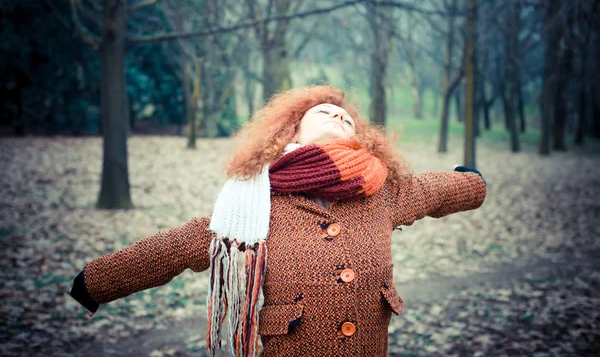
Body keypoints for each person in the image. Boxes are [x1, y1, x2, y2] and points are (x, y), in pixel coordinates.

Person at [70, 85, 487, 357]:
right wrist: (99, 280)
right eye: (326, 113)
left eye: (347, 120)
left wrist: (471, 183)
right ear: (293, 130)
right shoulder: (253, 203)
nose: (340, 119)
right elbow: (185, 244)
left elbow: (433, 191)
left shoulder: (381, 192)